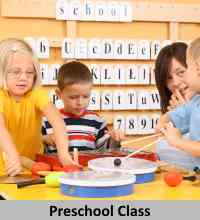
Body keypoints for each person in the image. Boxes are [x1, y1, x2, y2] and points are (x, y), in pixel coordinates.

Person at [0, 38, 77, 176]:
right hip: (6, 168)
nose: (23, 77)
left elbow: (58, 123)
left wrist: (64, 156)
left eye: (29, 72)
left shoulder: (37, 94)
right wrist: (12, 156)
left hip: (33, 166)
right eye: (16, 72)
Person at [42, 61, 125, 153]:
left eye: (86, 96)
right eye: (73, 97)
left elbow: (105, 151)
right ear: (59, 94)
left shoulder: (97, 121)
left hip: (86, 167)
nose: (80, 102)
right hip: (57, 167)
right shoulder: (47, 121)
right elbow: (36, 148)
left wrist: (115, 139)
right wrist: (44, 139)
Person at [157, 37, 200, 170]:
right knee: (161, 146)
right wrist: (166, 120)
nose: (175, 83)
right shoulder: (195, 103)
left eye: (183, 71)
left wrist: (177, 141)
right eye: (169, 78)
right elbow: (173, 118)